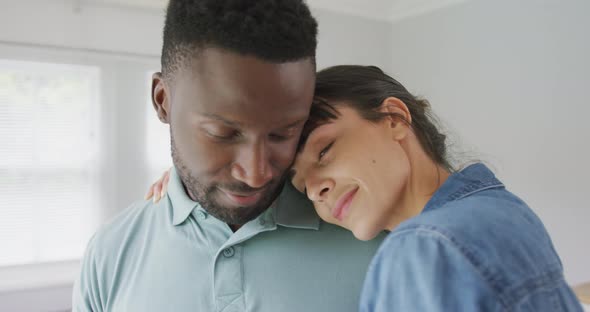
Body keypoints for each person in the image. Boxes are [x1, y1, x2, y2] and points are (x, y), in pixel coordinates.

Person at [149, 65, 584, 311]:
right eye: (300, 184)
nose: (315, 189)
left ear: (394, 119)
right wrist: (195, 181)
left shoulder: (425, 248)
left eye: (324, 152)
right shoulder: (499, 207)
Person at [72, 1, 384, 312]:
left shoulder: (373, 238)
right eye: (222, 133)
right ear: (163, 100)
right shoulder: (109, 255)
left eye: (283, 134)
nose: (256, 174)